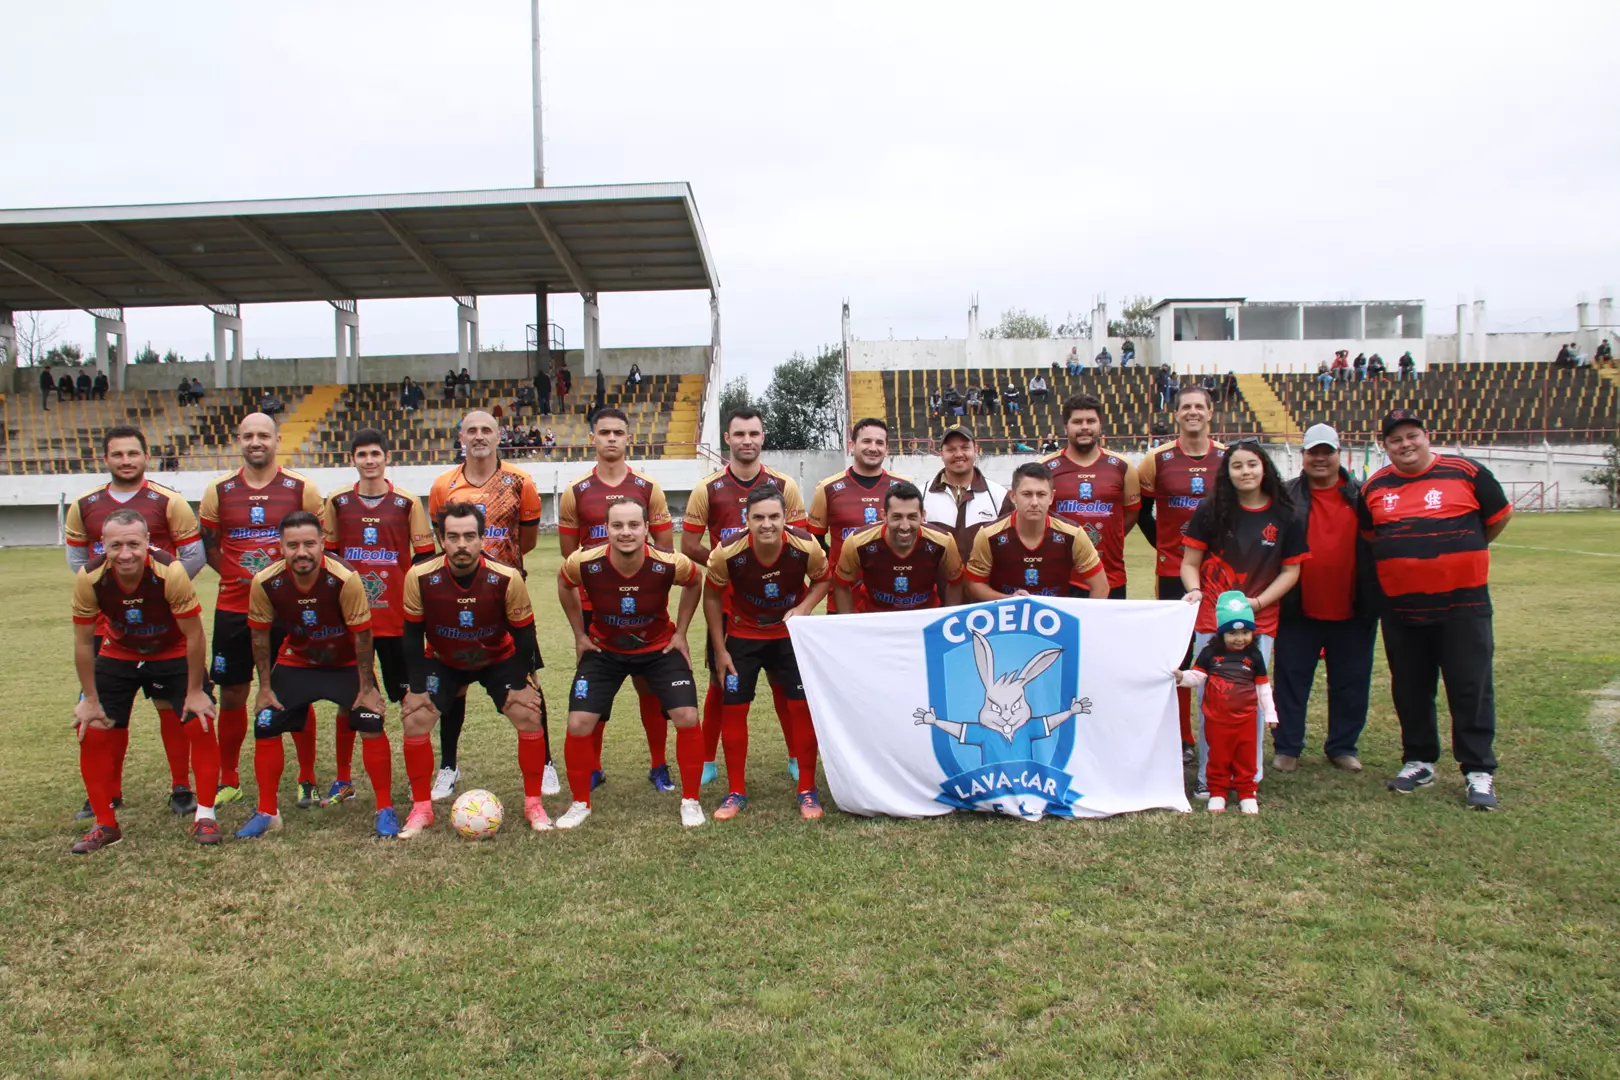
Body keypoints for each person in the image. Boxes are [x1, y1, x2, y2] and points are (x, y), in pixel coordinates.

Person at [1358, 409, 1512, 810]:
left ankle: (1478, 768)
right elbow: (1373, 536)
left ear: (1427, 437)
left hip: (1464, 605)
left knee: (1469, 687)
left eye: (1412, 436)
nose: (1405, 445)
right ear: (1385, 446)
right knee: (1410, 687)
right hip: (1402, 608)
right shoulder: (1375, 487)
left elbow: (1497, 519)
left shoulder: (1466, 472)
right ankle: (1419, 760)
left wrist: (1463, 553)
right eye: (1395, 440)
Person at [65, 426, 207, 819]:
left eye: (133, 453)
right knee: (106, 710)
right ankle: (107, 792)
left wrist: (158, 598)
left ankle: (181, 787)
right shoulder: (85, 504)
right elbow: (79, 564)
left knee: (169, 703)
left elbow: (193, 556)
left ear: (146, 456)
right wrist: (115, 597)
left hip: (165, 622)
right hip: (107, 626)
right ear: (105, 459)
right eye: (117, 454)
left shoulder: (169, 501)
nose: (125, 461)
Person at [69, 510, 220, 853]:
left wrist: (196, 692)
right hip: (119, 652)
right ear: (103, 546)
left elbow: (195, 636)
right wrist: (89, 698)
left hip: (172, 651)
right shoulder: (90, 577)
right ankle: (106, 825)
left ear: (148, 543)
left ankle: (206, 815)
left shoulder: (171, 572)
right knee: (92, 728)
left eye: (134, 544)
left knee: (200, 721)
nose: (125, 553)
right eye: (116, 545)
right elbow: (82, 641)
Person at [398, 502, 552, 837]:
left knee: (528, 714)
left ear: (482, 539)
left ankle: (533, 804)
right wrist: (417, 687)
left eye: (470, 536)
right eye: (453, 536)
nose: (462, 544)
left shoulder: (505, 577)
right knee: (415, 717)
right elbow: (411, 636)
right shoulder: (419, 576)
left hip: (497, 658)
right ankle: (422, 809)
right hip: (443, 659)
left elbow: (525, 635)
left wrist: (518, 684)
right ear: (442, 538)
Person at [236, 512, 391, 838]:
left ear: (322, 543)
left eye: (309, 543)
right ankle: (267, 811)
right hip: (299, 661)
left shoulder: (344, 578)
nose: (302, 552)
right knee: (266, 722)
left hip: (344, 663)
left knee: (371, 720)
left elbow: (363, 636)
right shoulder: (265, 581)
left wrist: (366, 687)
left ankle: (385, 807)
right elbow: (259, 636)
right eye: (293, 545)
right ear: (281, 547)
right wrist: (263, 687)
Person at [199, 413, 325, 808]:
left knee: (297, 690)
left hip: (291, 607)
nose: (256, 442)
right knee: (233, 691)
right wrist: (247, 583)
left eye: (263, 435)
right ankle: (230, 777)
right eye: (248, 435)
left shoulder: (301, 488)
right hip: (234, 607)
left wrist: (276, 587)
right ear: (239, 440)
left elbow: (318, 547)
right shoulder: (218, 490)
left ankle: (307, 778)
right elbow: (211, 548)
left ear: (277, 440)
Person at [556, 500, 706, 829]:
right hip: (604, 650)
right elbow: (564, 583)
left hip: (657, 649)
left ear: (646, 529)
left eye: (633, 525)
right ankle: (580, 802)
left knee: (687, 716)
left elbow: (695, 582)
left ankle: (691, 801)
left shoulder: (669, 563)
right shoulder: (584, 561)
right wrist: (579, 634)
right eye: (618, 526)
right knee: (579, 722)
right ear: (606, 529)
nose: (626, 532)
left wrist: (680, 633)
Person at [681, 408, 807, 787]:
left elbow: (800, 544)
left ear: (763, 438)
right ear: (728, 439)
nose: (747, 440)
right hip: (730, 604)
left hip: (780, 606)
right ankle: (706, 759)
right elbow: (688, 544)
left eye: (754, 433)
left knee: (786, 687)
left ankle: (797, 757)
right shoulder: (709, 487)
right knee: (722, 683)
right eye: (739, 434)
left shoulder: (785, 486)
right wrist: (729, 569)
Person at [428, 410, 548, 800]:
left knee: (528, 678)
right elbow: (442, 539)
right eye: (472, 430)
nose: (479, 436)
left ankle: (545, 763)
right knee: (454, 683)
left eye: (487, 430)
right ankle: (448, 766)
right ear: (461, 436)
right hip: (458, 595)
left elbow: (526, 541)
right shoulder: (443, 486)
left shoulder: (519, 481)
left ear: (500, 436)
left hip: (506, 597)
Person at [1179, 438, 1307, 798]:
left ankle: (1247, 777)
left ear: (1264, 467)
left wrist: (1259, 603)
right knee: (1212, 701)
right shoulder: (1211, 511)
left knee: (1248, 701)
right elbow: (1190, 564)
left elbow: (1291, 571)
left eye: (1251, 464)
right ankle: (1210, 777)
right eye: (1237, 466)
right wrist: (1196, 591)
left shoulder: (1286, 514)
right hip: (1210, 621)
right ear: (1228, 472)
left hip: (1259, 624)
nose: (1245, 471)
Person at [558, 408, 677, 791]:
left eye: (618, 432)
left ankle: (659, 765)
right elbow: (569, 561)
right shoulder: (575, 491)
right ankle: (592, 767)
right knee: (598, 689)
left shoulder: (647, 488)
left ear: (629, 439)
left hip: (644, 607)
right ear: (592, 437)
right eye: (604, 432)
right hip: (598, 608)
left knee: (648, 687)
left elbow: (666, 552)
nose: (611, 438)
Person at [322, 429, 438, 806]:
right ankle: (343, 779)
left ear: (387, 458)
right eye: (362, 454)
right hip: (353, 622)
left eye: (375, 454)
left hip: (397, 621)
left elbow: (423, 559)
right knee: (350, 698)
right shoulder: (337, 501)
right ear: (352, 459)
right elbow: (330, 557)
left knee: (409, 699)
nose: (369, 461)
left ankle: (413, 776)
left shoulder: (406, 502)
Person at [705, 486, 832, 820]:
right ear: (746, 520)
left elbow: (823, 580)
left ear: (785, 518)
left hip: (789, 637)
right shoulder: (726, 552)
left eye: (774, 516)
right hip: (743, 637)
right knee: (734, 709)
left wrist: (804, 608)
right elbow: (712, 597)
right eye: (758, 517)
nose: (766, 524)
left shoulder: (806, 546)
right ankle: (735, 792)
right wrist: (720, 651)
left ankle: (807, 789)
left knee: (801, 708)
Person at [1272, 424, 1379, 774]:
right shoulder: (1285, 497)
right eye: (1313, 452)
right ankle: (1288, 746)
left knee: (1351, 681)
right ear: (1302, 456)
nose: (1320, 458)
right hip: (1297, 609)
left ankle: (1343, 746)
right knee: (1291, 679)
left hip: (1353, 607)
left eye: (1327, 451)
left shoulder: (1363, 496)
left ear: (1338, 454)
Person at [1137, 385, 1226, 756]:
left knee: (1224, 650)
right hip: (1173, 571)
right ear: (1176, 414)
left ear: (1209, 413)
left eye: (1199, 406)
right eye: (1185, 406)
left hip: (1221, 574)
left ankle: (1218, 732)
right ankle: (1182, 738)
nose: (1192, 412)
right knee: (1178, 655)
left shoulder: (1228, 457)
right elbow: (1141, 512)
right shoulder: (1155, 460)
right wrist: (1166, 547)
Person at [1175, 592, 1278, 815]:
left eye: (1245, 632)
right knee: (1218, 757)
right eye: (1232, 633)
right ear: (1221, 633)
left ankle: (1247, 793)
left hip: (1246, 721)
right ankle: (1218, 792)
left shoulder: (1254, 657)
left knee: (1246, 757)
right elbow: (1197, 677)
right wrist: (1182, 678)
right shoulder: (1210, 653)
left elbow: (1262, 687)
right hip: (1217, 720)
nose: (1239, 638)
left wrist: (1270, 714)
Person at [1042, 393, 1141, 599]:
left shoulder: (1123, 467)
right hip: (1061, 577)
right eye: (1077, 422)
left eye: (1091, 421)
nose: (1085, 427)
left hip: (1110, 575)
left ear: (1100, 425)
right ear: (1066, 427)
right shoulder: (1045, 468)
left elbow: (1131, 515)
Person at [965, 463, 1108, 600]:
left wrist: (1084, 623)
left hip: (1057, 620)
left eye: (1041, 494)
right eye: (1027, 494)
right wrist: (1008, 599)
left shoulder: (1073, 534)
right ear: (1013, 496)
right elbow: (974, 584)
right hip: (1007, 619)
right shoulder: (988, 535)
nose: (1034, 502)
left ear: (1051, 497)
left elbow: (1101, 587)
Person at [807, 418, 910, 604]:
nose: (873, 447)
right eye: (866, 441)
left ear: (887, 449)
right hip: (843, 596)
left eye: (880, 443)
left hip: (892, 598)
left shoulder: (903, 486)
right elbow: (816, 541)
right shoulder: (827, 488)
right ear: (852, 445)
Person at [833, 480, 963, 612]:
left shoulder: (943, 541)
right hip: (875, 618)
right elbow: (842, 584)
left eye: (912, 517)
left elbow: (956, 582)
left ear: (923, 516)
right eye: (897, 517)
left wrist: (951, 617)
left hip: (925, 617)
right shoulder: (857, 542)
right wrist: (847, 625)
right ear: (884, 516)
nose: (905, 526)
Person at [922, 423, 1008, 563]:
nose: (958, 454)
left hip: (982, 583)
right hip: (938, 584)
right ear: (941, 454)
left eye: (965, 448)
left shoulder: (998, 496)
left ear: (976, 450)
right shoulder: (921, 495)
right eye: (950, 449)